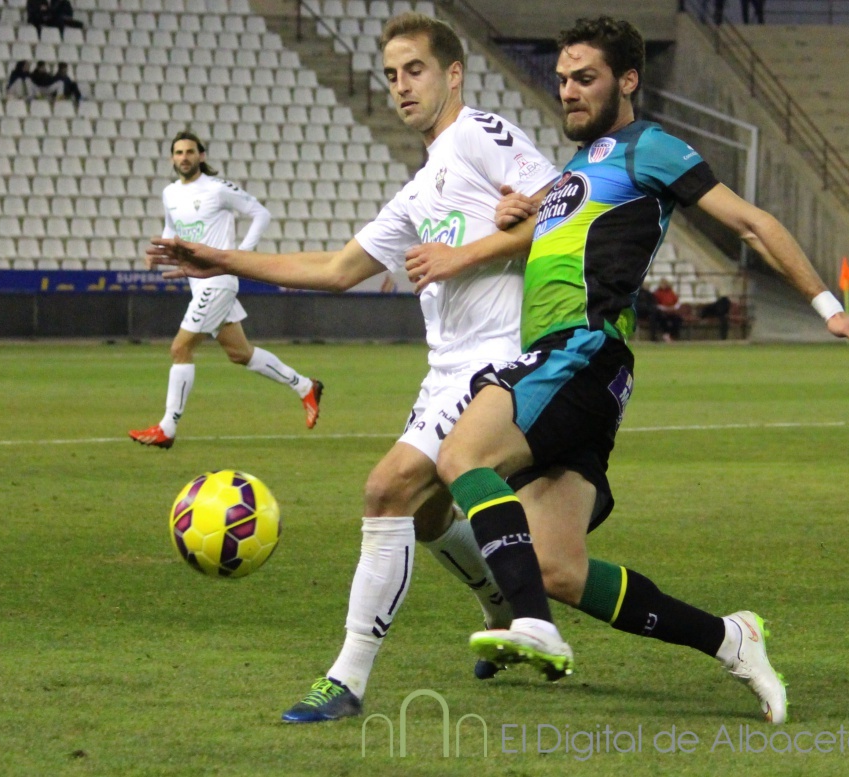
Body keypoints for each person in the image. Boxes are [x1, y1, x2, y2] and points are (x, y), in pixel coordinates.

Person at [405, 15, 849, 726]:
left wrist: (828, 308)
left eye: (585, 78)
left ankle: (529, 623)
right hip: (584, 373)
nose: (568, 90)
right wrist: (520, 212)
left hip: (579, 350)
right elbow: (560, 231)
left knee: (461, 456)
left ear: (627, 80)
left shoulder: (649, 147)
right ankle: (730, 638)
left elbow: (750, 222)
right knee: (560, 568)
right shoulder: (579, 167)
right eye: (562, 79)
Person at [146, 13, 560, 723]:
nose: (401, 85)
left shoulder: (477, 134)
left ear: (453, 73)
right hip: (446, 369)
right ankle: (503, 606)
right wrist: (217, 258)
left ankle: (347, 678)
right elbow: (337, 269)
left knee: (385, 490)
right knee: (428, 516)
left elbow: (568, 198)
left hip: (498, 361)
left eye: (415, 70)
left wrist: (502, 230)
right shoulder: (421, 187)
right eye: (392, 74)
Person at [129, 130, 325, 449]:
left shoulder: (217, 189)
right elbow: (171, 228)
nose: (184, 157)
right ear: (172, 158)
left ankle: (167, 428)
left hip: (218, 282)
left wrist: (240, 256)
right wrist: (159, 252)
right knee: (240, 354)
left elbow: (260, 214)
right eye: (178, 152)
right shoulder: (170, 193)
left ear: (201, 156)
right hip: (200, 284)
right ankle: (305, 386)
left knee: (180, 348)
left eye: (189, 151)